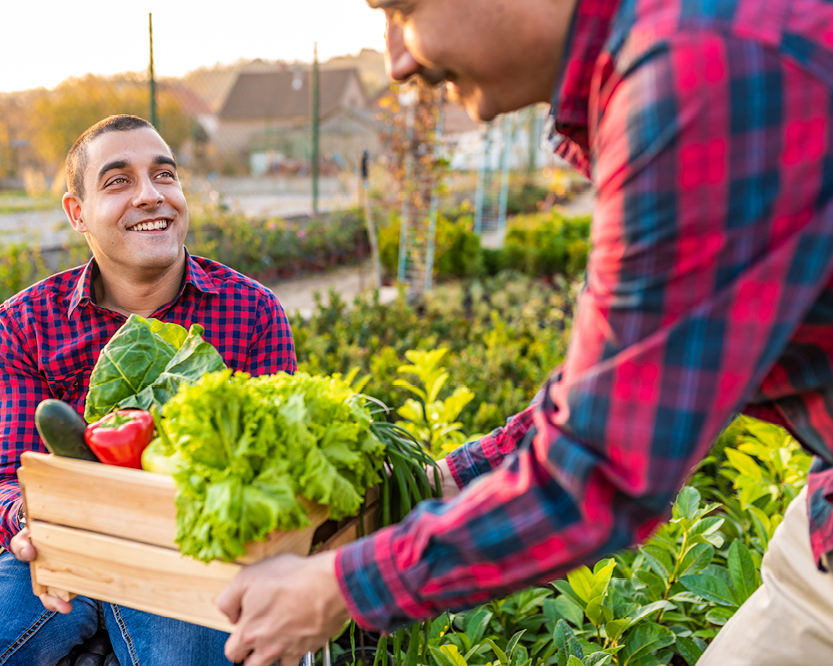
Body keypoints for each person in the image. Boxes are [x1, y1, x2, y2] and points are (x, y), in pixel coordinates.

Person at [216, 0, 833, 664]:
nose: (396, 61)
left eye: (402, 9)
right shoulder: (671, 52)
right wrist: (437, 483)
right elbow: (617, 387)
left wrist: (338, 589)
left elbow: (599, 473)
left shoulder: (698, 74)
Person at [0, 114, 297, 666]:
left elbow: (277, 475)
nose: (151, 196)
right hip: (57, 548)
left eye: (164, 176)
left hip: (189, 555)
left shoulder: (251, 311)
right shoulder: (26, 322)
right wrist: (28, 523)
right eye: (118, 181)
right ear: (77, 213)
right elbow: (2, 479)